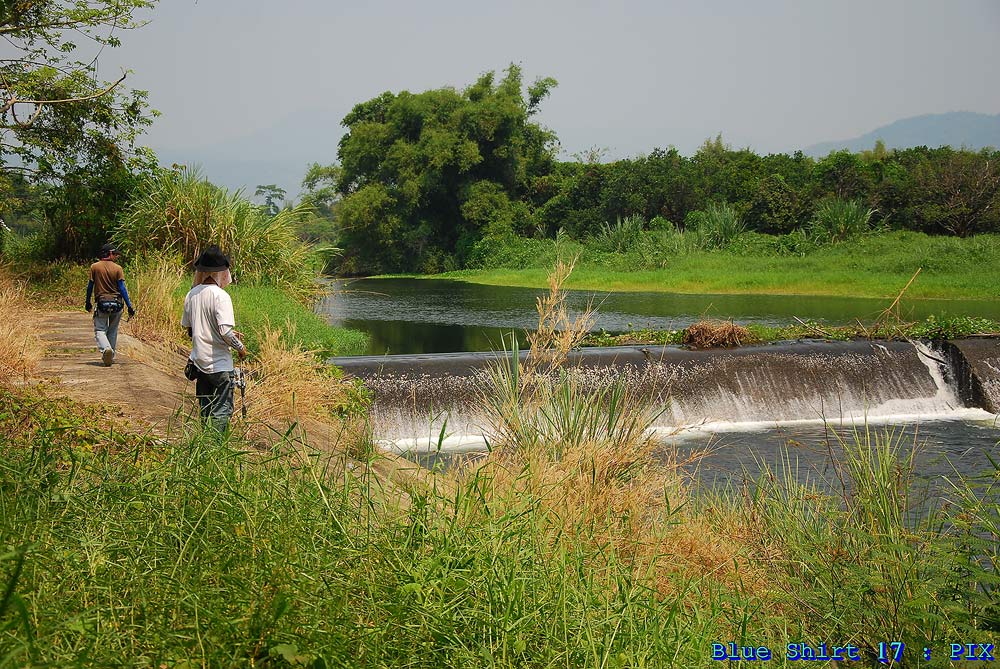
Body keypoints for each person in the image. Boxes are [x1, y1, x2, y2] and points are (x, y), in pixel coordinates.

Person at [181, 245, 247, 432]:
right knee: (222, 410)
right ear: (222, 273)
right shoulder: (221, 296)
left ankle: (204, 445)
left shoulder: (192, 294)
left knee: (206, 408)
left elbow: (190, 330)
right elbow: (225, 333)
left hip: (199, 363)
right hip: (219, 365)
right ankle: (215, 447)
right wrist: (240, 347)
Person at [85, 243, 135, 367]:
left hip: (102, 303)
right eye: (115, 254)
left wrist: (87, 302)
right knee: (112, 331)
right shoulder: (118, 268)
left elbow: (90, 286)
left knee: (100, 330)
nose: (116, 257)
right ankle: (110, 356)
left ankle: (106, 349)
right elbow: (122, 289)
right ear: (110, 253)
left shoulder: (95, 267)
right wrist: (129, 306)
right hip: (117, 304)